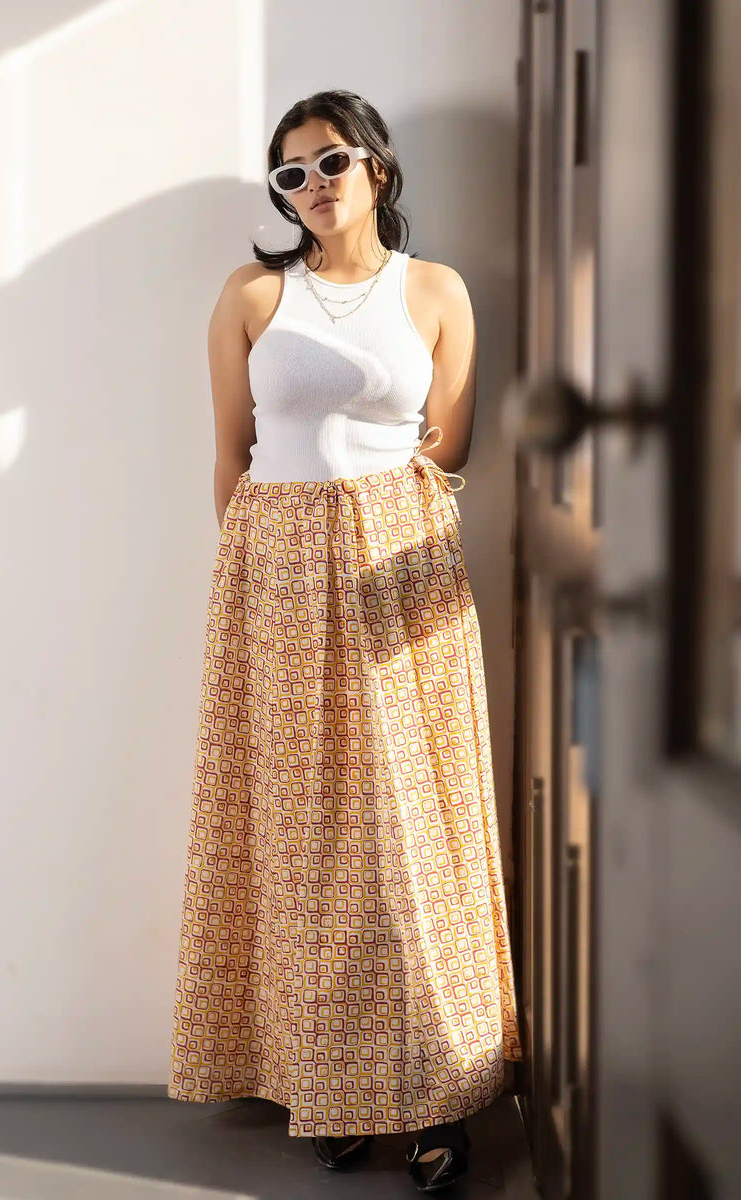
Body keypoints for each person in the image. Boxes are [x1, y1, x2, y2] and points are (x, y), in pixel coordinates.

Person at [167, 89, 522, 1194]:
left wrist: (365, 527)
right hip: (272, 574)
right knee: (300, 835)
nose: (310, 186)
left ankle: (437, 1093)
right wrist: (254, 573)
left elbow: (444, 443)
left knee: (415, 829)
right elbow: (232, 451)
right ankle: (323, 1079)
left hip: (397, 565)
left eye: (327, 162)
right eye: (288, 174)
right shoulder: (250, 294)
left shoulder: (436, 292)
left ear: (374, 166)